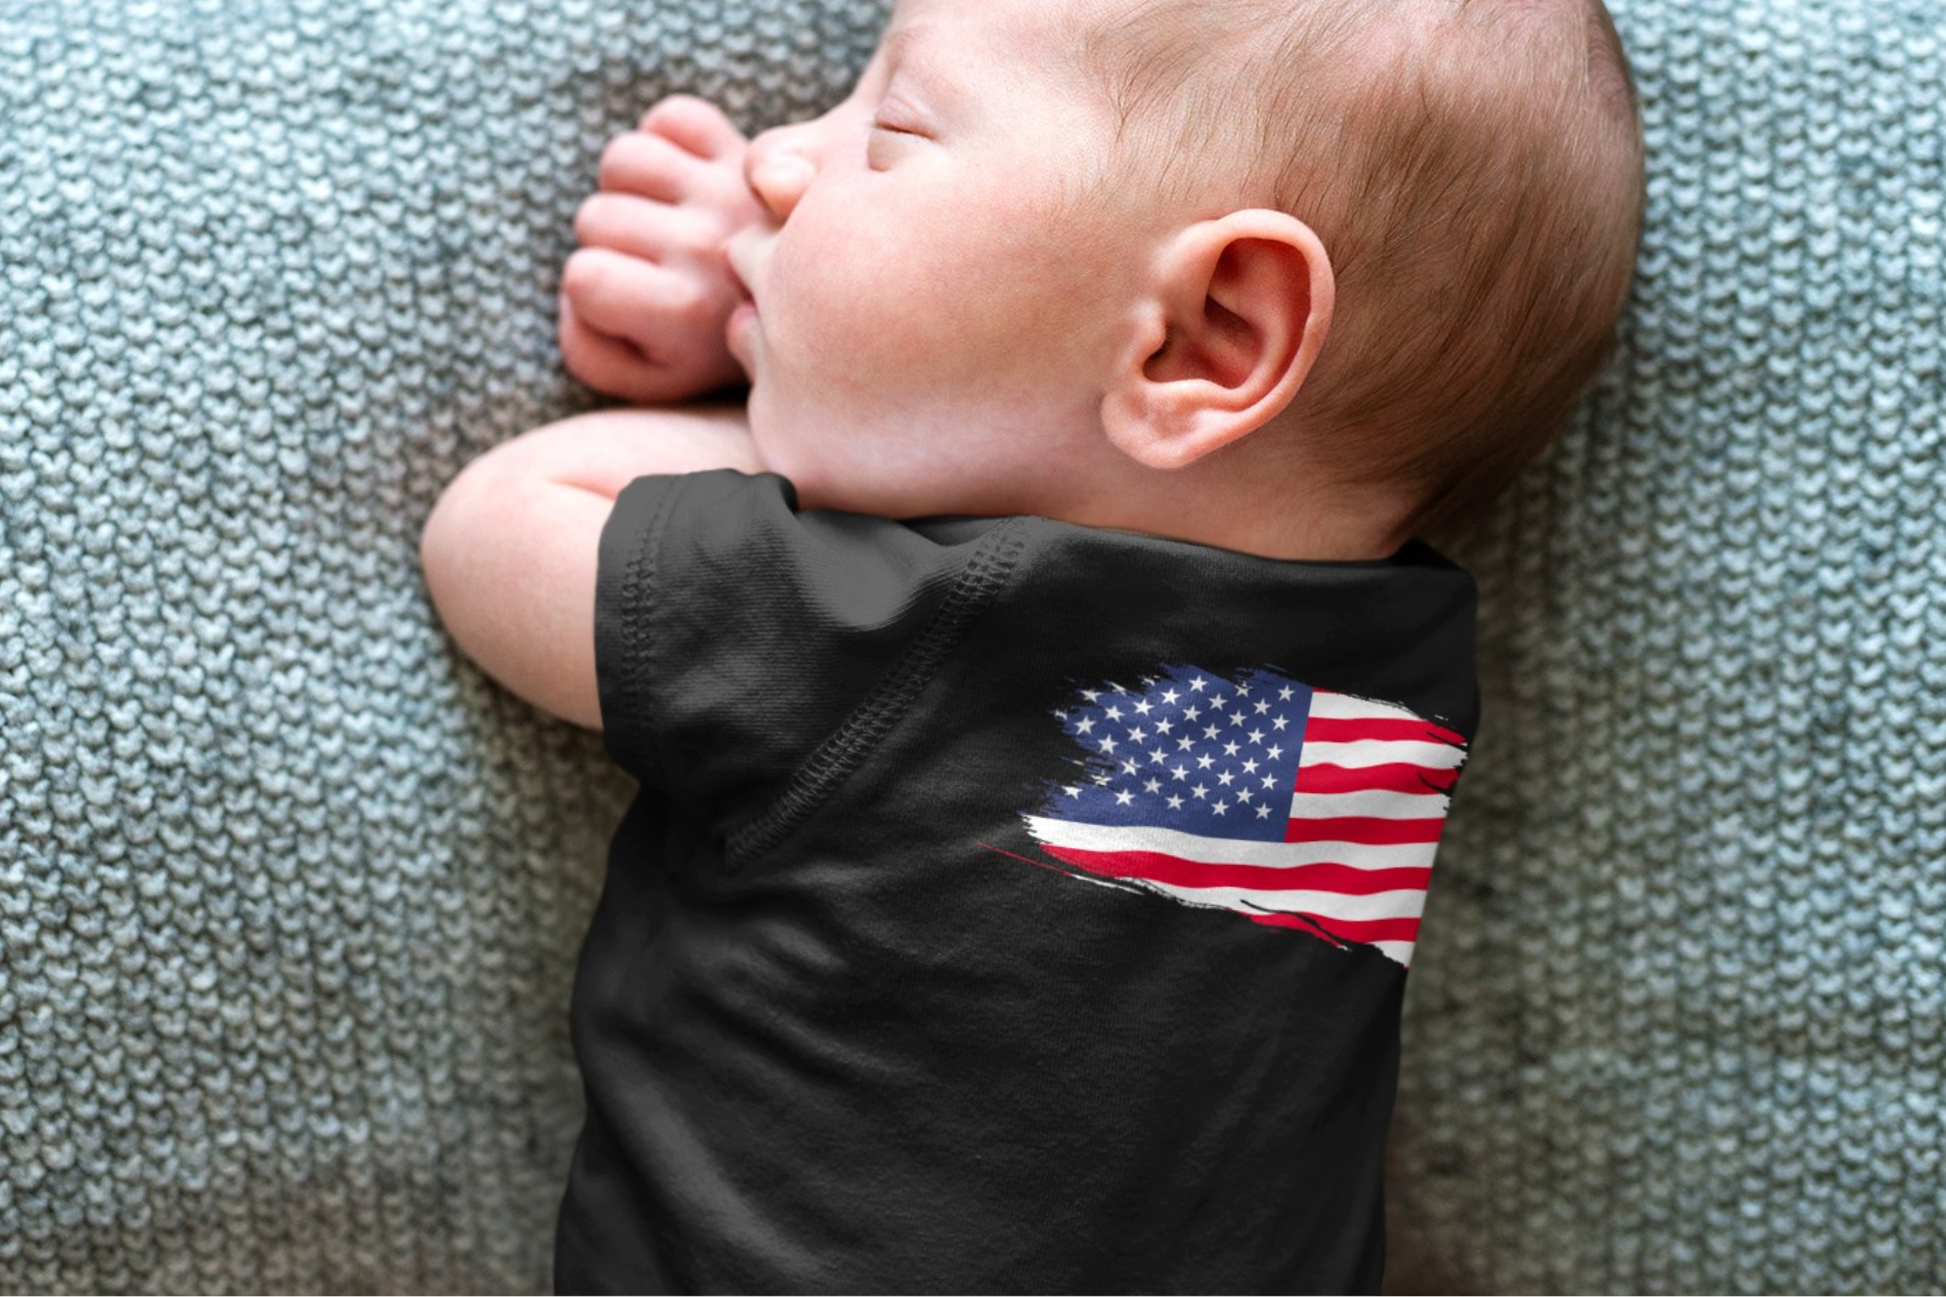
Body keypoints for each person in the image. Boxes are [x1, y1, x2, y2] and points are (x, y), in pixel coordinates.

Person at [418, 0, 1645, 1288]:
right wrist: (798, 325)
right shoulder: (1385, 704)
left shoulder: (889, 634)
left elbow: (498, 528)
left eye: (890, 130)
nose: (774, 163)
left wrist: (751, 362)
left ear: (1208, 336)